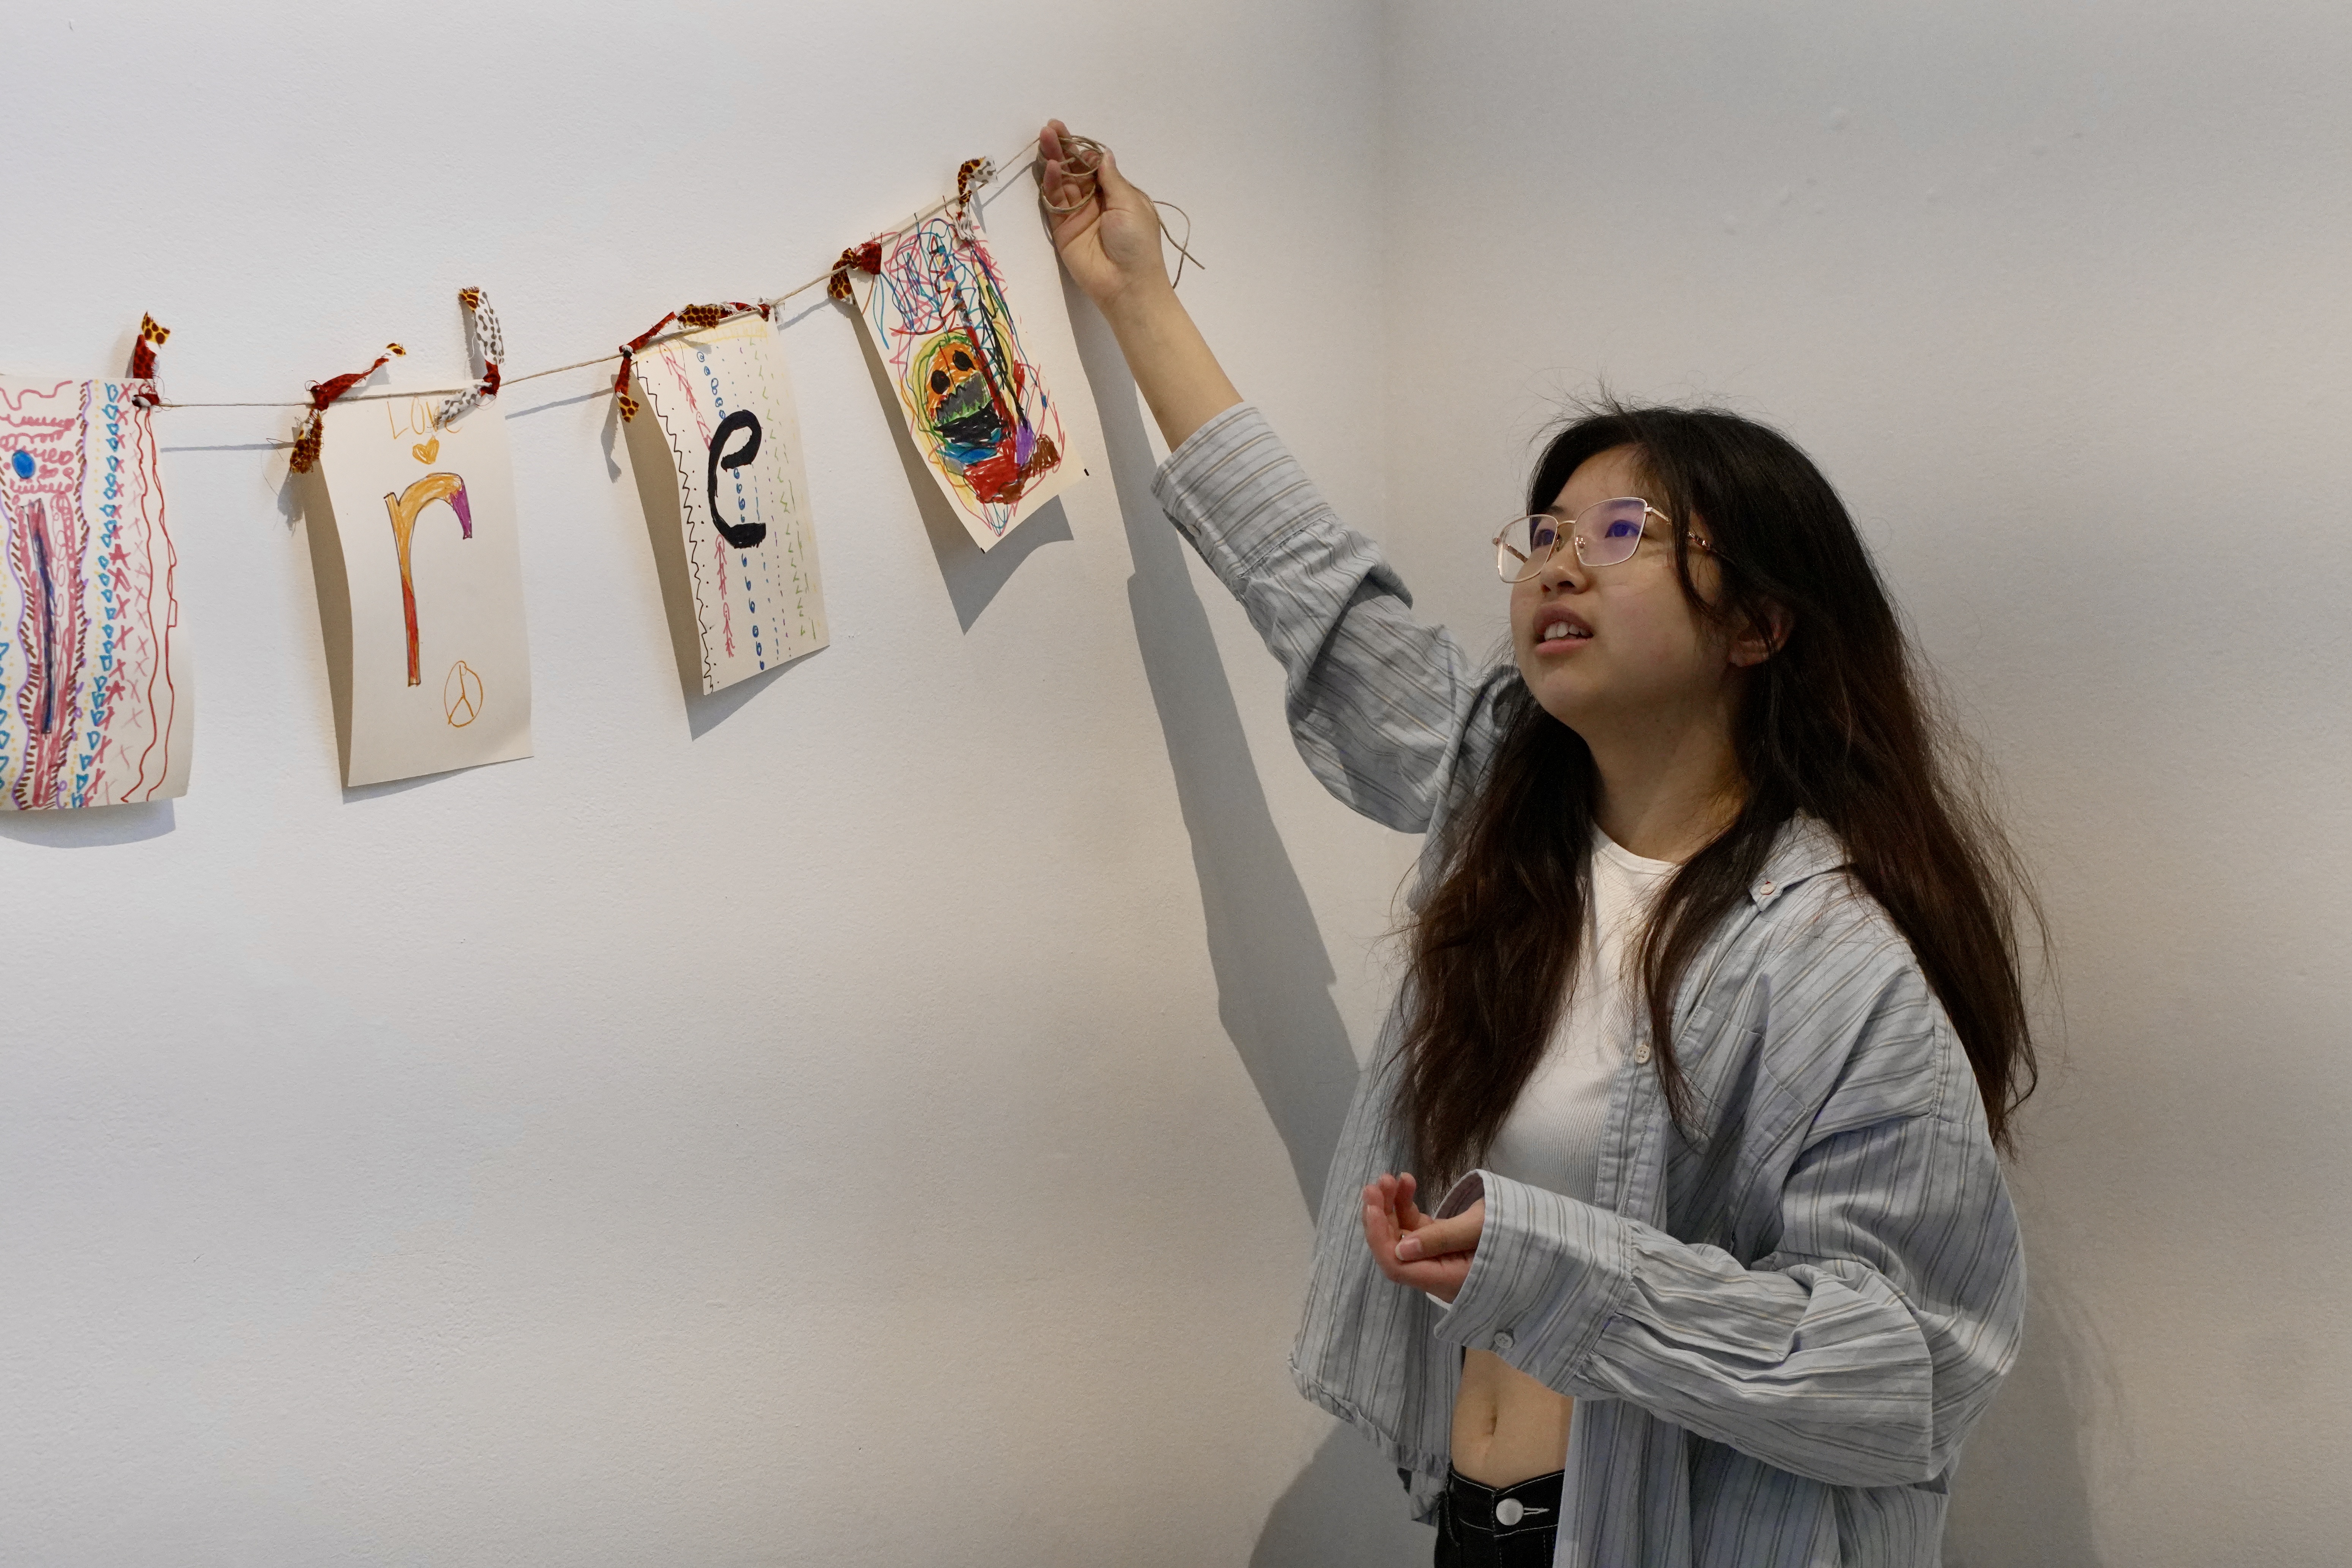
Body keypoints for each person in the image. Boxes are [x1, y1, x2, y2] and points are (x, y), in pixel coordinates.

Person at [1037, 120, 2032, 1568]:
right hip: (1481, 1522)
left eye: (1626, 532)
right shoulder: (1501, 804)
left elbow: (1907, 1375)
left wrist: (1564, 1274)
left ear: (1758, 624)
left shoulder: (1833, 962)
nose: (1559, 559)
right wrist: (1137, 296)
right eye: (1546, 533)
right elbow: (1324, 599)